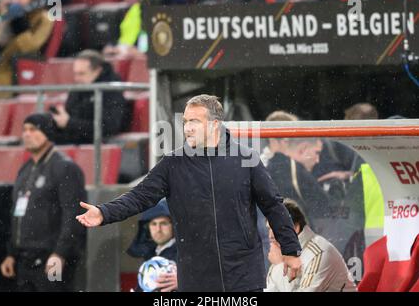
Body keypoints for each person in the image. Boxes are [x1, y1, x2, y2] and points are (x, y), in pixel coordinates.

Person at [76, 94, 302, 292]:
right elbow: (140, 196)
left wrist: (290, 251)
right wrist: (104, 212)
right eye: (185, 122)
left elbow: (273, 205)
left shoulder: (247, 158)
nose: (187, 128)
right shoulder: (173, 162)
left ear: (214, 125)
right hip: (196, 277)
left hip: (243, 276)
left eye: (195, 121)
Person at [0, 113, 87, 291]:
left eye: (33, 129)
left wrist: (60, 253)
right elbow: (17, 214)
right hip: (25, 260)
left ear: (47, 132)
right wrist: (11, 253)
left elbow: (73, 215)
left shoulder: (65, 167)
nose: (26, 134)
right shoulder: (25, 169)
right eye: (24, 130)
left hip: (51, 259)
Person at [266, 199, 357, 292]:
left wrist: (280, 265)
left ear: (295, 228)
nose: (270, 235)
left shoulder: (318, 254)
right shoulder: (283, 253)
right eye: (269, 228)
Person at [52, 50, 128, 145]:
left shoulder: (111, 90)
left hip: (94, 143)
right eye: (75, 73)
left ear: (98, 71)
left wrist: (70, 123)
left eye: (81, 74)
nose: (77, 78)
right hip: (76, 139)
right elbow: (70, 114)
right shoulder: (79, 87)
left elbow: (108, 127)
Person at [0, 0, 53, 98]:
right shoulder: (11, 14)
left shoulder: (45, 19)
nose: (16, 1)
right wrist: (7, 21)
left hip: (20, 71)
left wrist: (21, 28)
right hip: (0, 68)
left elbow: (32, 46)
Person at [128, 198, 178, 292]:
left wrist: (185, 282)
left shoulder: (186, 253)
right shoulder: (150, 255)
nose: (158, 229)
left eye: (163, 223)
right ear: (148, 228)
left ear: (173, 226)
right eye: (154, 224)